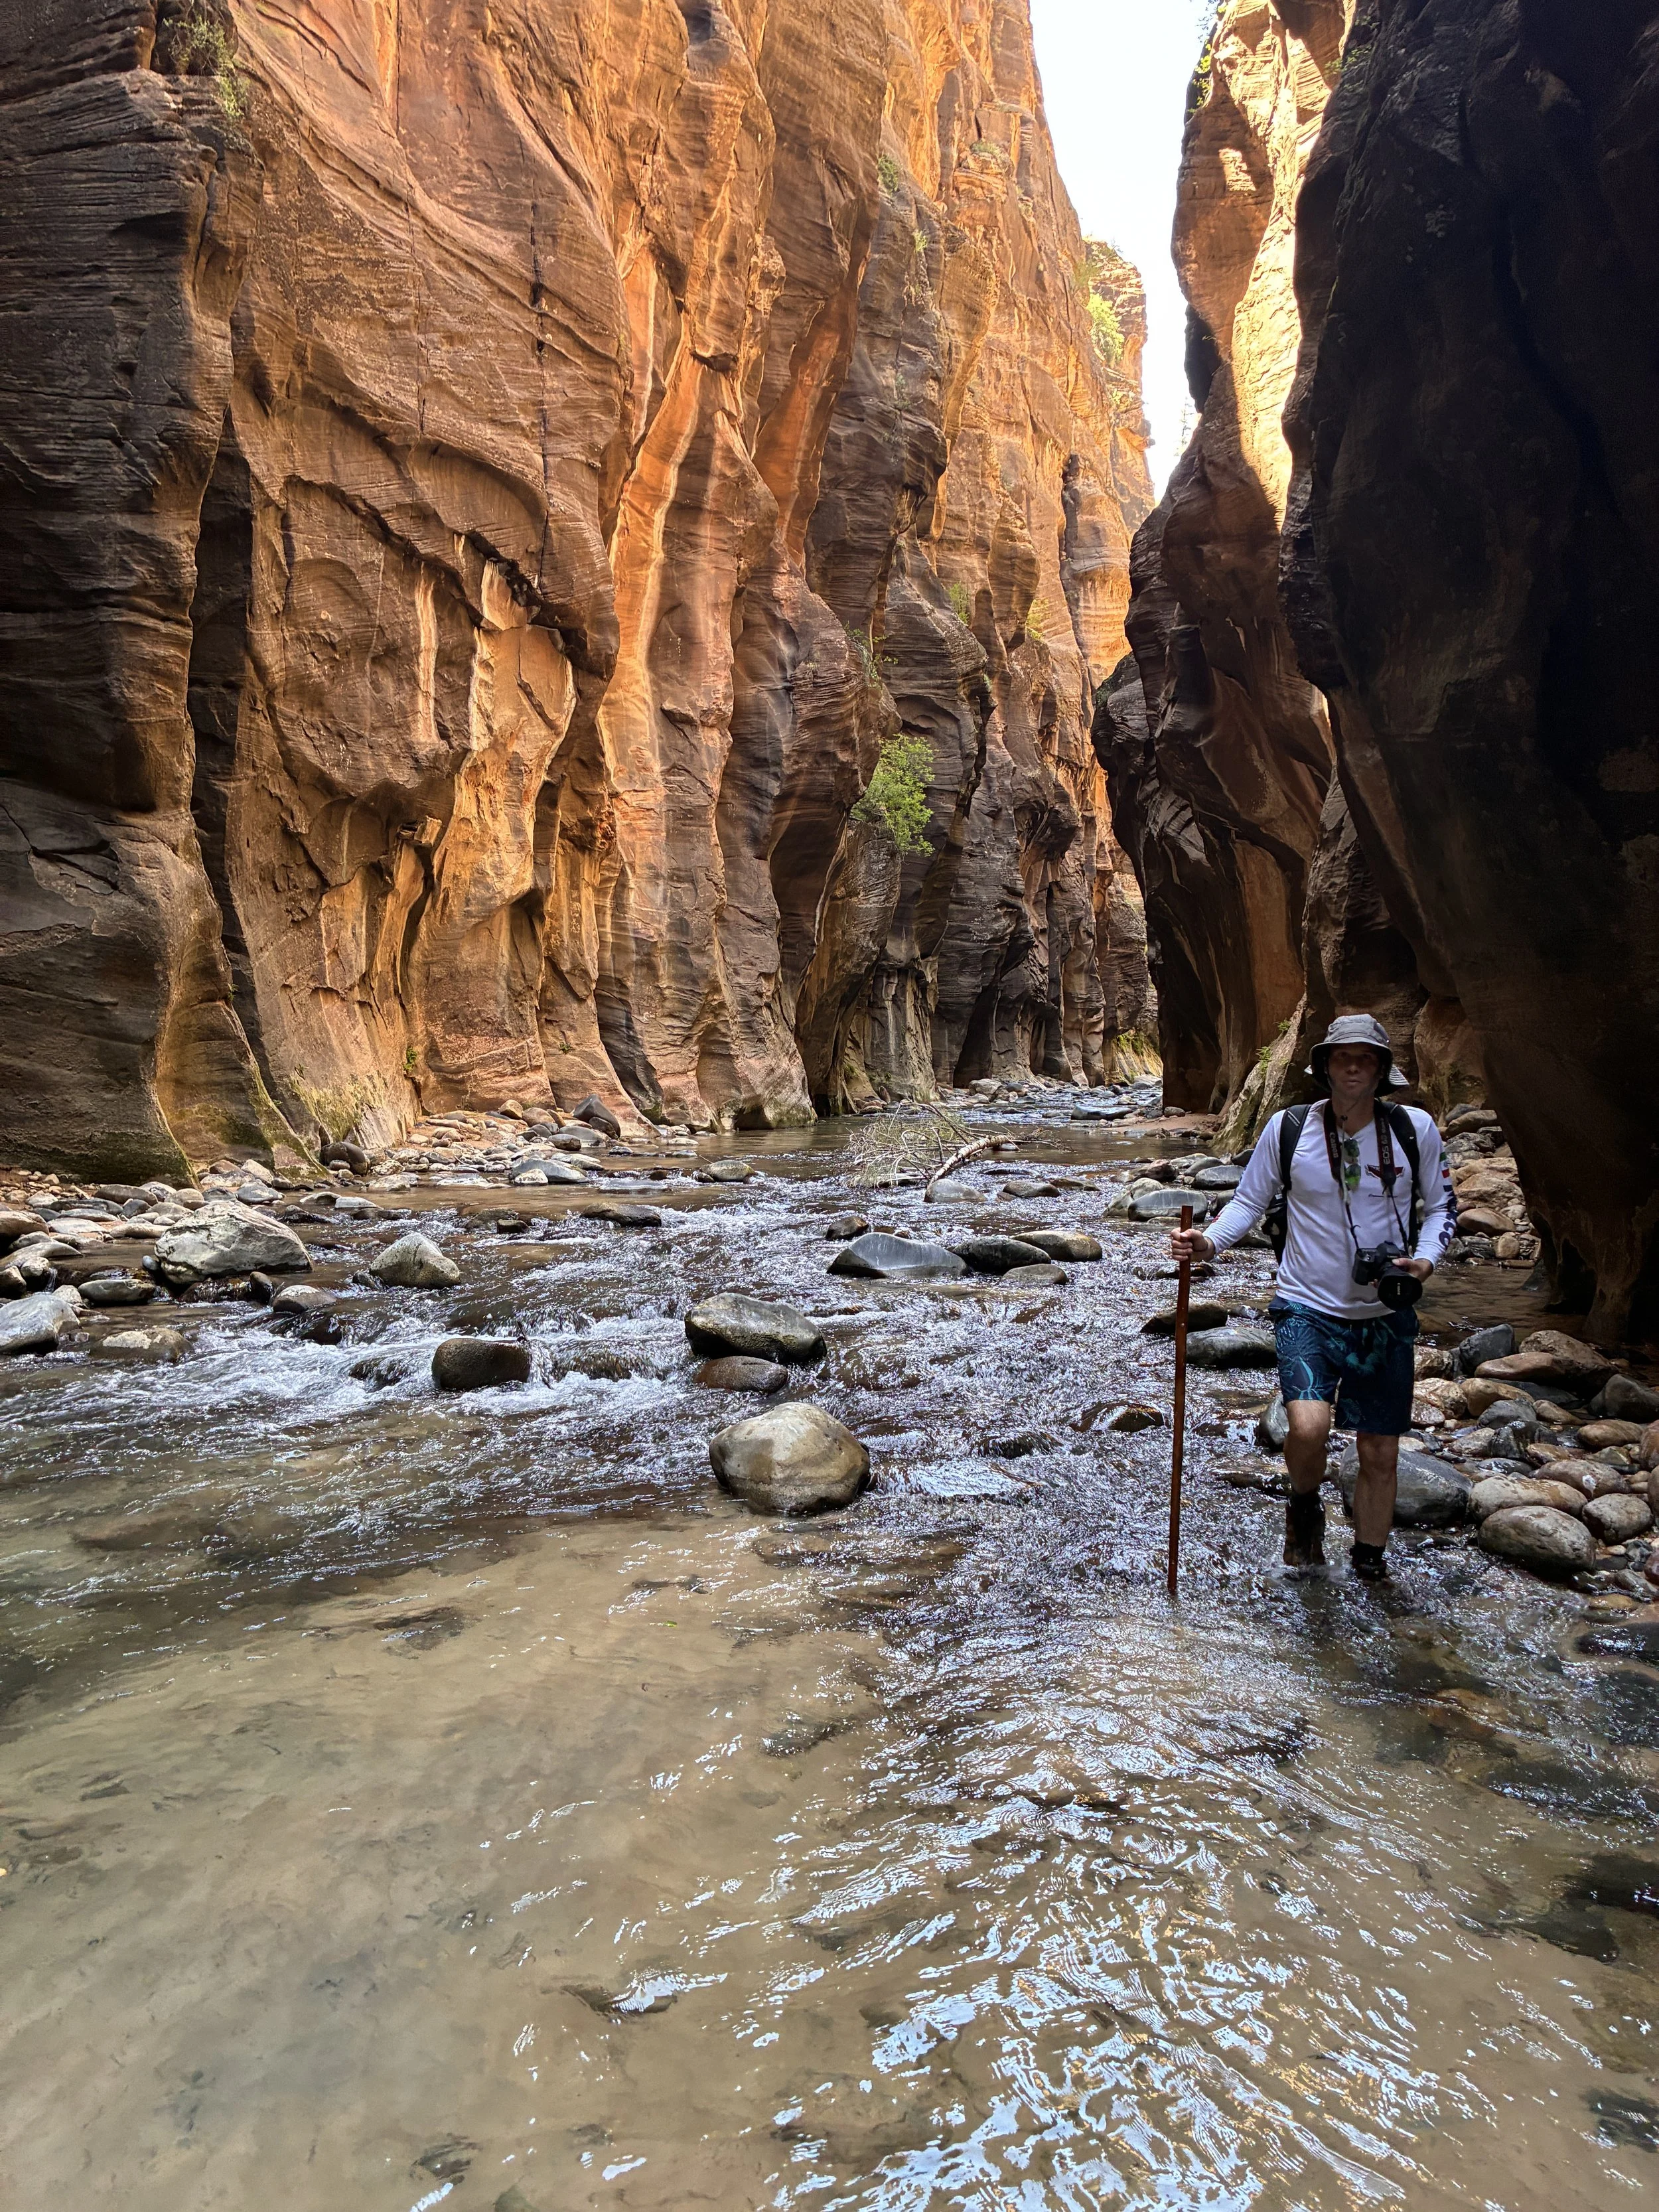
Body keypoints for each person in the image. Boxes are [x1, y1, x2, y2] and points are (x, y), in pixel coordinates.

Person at [1169, 1014, 1456, 1580]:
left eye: (1366, 1057)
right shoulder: (1290, 1128)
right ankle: (1304, 1503)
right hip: (1305, 1306)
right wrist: (1207, 1242)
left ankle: (1370, 1564)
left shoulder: (1413, 1130)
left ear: (1382, 1069)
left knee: (1379, 1449)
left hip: (1383, 1311)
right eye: (1342, 1056)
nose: (1354, 1066)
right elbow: (1249, 1203)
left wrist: (1425, 1259)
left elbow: (1443, 1206)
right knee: (1306, 1427)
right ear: (1323, 1066)